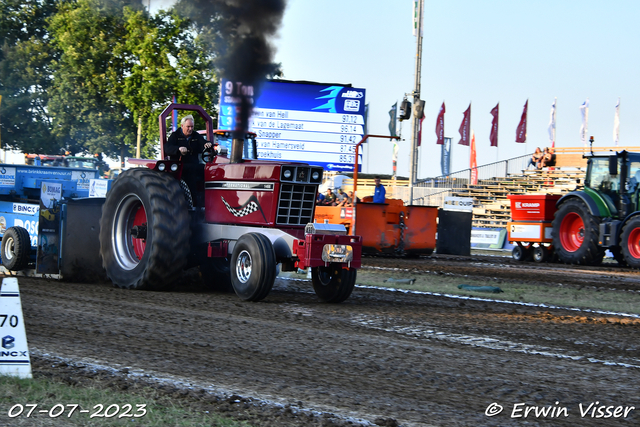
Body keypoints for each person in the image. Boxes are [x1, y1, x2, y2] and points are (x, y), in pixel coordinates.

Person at [164, 115, 212, 207]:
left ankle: (205, 202)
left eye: (192, 127)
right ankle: (190, 204)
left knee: (207, 170)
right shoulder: (175, 136)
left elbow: (203, 142)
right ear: (182, 126)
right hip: (179, 167)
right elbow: (168, 148)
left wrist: (207, 144)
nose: (190, 129)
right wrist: (178, 149)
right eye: (188, 127)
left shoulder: (195, 136)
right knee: (190, 177)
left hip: (193, 165)